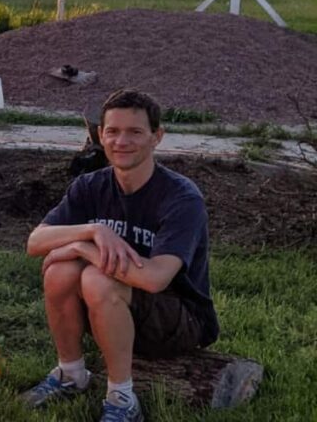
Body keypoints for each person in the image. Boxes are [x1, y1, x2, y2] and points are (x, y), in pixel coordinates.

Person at [21, 89, 220, 422]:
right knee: (60, 273)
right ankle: (71, 373)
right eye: (112, 131)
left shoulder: (181, 197)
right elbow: (35, 242)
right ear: (101, 134)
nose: (121, 141)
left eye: (135, 132)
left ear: (157, 137)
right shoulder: (90, 186)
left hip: (180, 319)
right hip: (115, 312)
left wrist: (82, 249)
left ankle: (122, 400)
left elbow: (155, 279)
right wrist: (94, 232)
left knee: (95, 277)